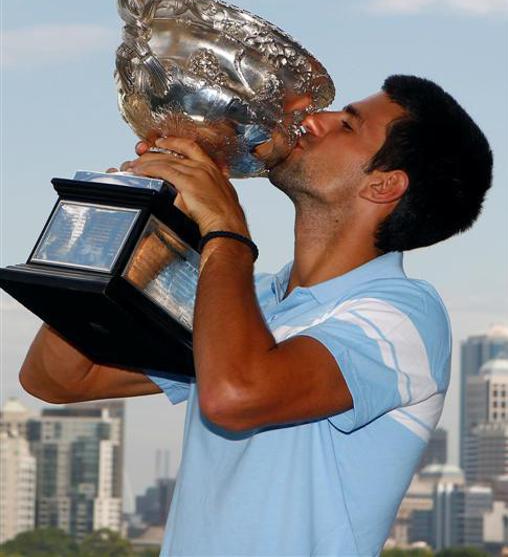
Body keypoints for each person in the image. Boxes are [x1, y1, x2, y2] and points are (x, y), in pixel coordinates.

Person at [20, 75, 493, 556]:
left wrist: (225, 228)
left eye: (347, 125)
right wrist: (151, 226)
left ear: (384, 185)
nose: (315, 119)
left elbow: (234, 395)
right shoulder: (245, 296)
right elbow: (59, 378)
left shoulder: (405, 315)